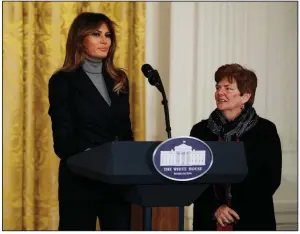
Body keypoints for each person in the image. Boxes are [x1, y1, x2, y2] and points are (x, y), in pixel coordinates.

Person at [48, 12, 133, 231]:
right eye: (96, 34)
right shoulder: (62, 81)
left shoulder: (119, 80)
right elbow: (63, 142)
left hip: (116, 180)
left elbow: (125, 132)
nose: (105, 40)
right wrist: (98, 149)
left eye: (108, 35)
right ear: (80, 39)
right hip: (79, 179)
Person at [190, 64, 282, 231]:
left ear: (245, 96)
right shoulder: (200, 131)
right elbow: (194, 176)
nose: (220, 92)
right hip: (209, 220)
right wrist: (216, 208)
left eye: (228, 88)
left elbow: (270, 179)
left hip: (251, 219)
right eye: (218, 87)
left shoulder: (265, 130)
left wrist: (233, 211)